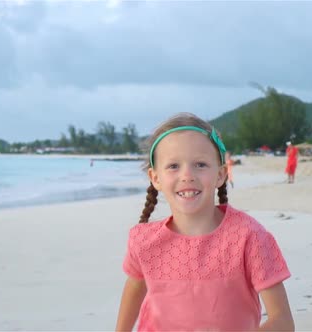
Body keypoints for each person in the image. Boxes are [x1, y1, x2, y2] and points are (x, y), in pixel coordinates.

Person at [116, 113, 294, 332]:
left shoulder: (249, 237)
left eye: (200, 164)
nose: (187, 175)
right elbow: (135, 286)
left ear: (221, 174)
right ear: (155, 178)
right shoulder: (143, 240)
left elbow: (283, 321)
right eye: (173, 166)